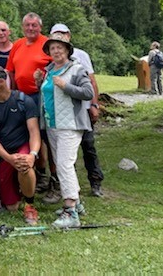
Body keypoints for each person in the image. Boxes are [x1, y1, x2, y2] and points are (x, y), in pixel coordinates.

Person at [37, 33, 94, 228]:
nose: (56, 51)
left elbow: (88, 93)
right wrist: (40, 83)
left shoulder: (77, 69)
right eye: (53, 48)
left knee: (64, 165)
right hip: (53, 124)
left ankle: (70, 211)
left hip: (70, 123)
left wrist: (67, 86)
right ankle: (76, 204)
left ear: (68, 50)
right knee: (63, 164)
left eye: (60, 47)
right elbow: (48, 95)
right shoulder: (49, 71)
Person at [0, 64, 41, 224]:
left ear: (1, 81)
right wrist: (8, 158)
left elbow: (34, 131)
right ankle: (20, 189)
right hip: (3, 152)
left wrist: (32, 155)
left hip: (22, 145)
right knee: (12, 206)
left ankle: (30, 205)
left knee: (24, 164)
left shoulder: (24, 101)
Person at [49, 24, 105, 198]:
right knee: (63, 157)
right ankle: (69, 189)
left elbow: (91, 83)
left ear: (69, 37)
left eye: (63, 35)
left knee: (88, 146)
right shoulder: (51, 65)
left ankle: (95, 181)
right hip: (59, 117)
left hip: (81, 111)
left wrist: (94, 105)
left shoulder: (80, 57)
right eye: (55, 37)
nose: (59, 41)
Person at [5, 12, 52, 192]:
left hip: (40, 96)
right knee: (26, 135)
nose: (31, 28)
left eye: (34, 25)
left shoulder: (46, 44)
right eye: (28, 25)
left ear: (40, 27)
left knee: (44, 136)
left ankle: (49, 176)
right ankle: (34, 174)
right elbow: (11, 71)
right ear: (23, 27)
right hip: (21, 96)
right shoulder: (17, 44)